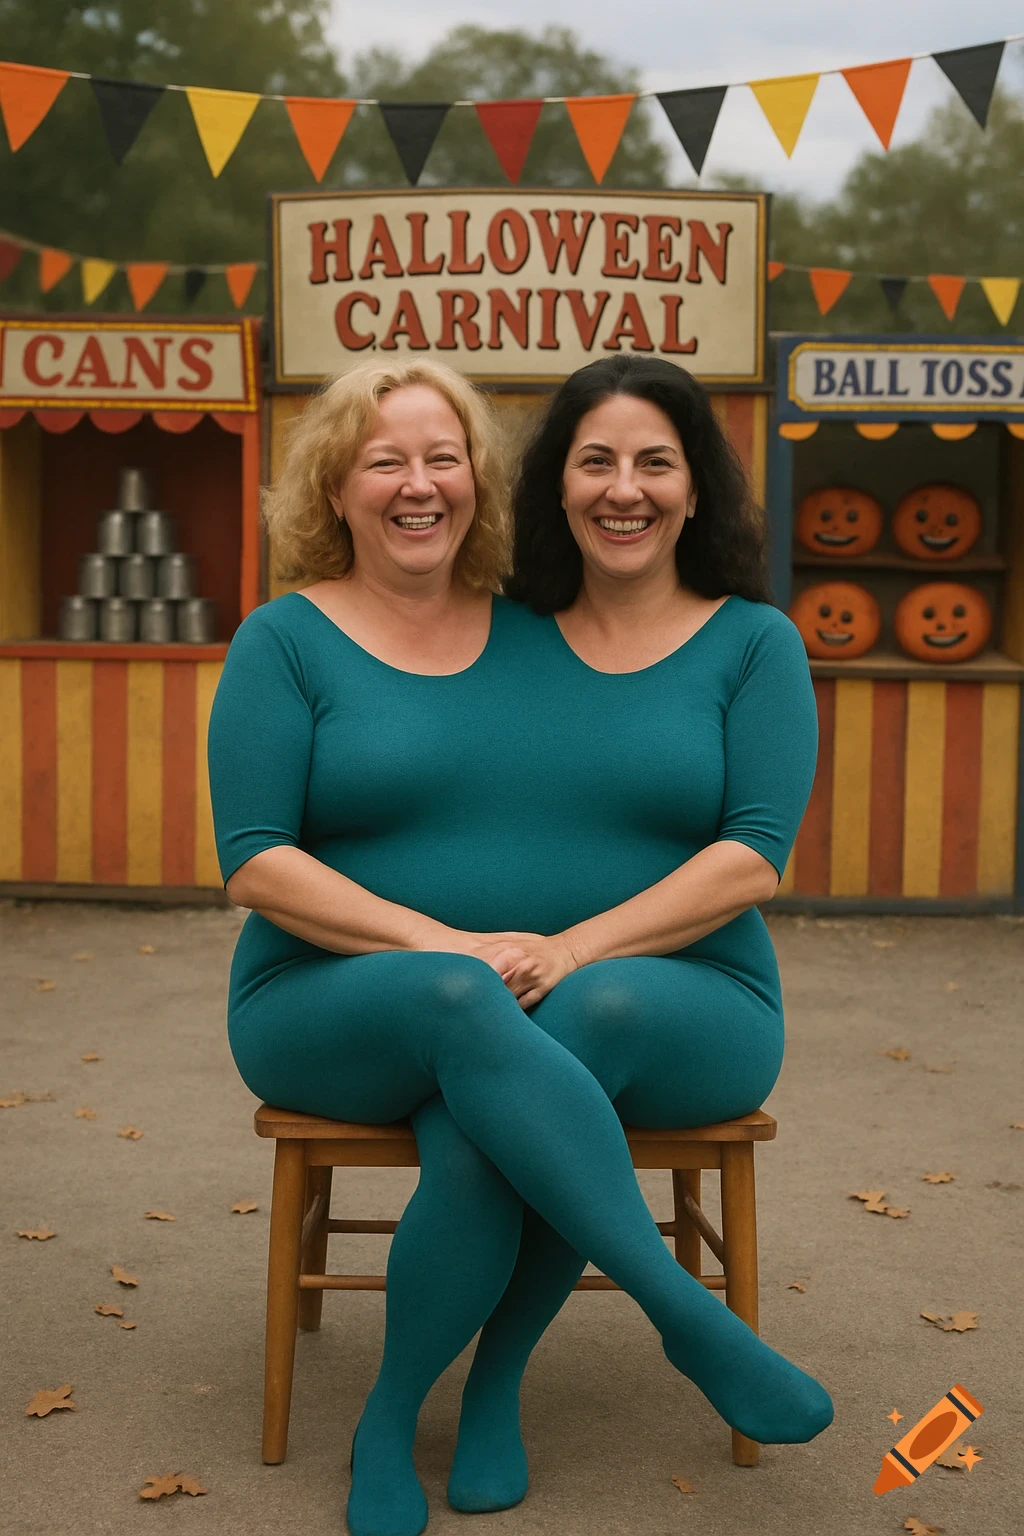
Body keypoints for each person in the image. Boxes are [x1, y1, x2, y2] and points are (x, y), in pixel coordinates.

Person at [207, 356, 832, 1536]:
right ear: (332, 487)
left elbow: (755, 850)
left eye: (442, 457)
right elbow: (252, 862)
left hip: (639, 996)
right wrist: (466, 947)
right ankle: (678, 1319)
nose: (416, 483)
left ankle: (460, 1397)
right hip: (362, 995)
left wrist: (566, 950)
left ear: (699, 490)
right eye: (383, 460)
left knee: (529, 1061)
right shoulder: (312, 638)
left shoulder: (678, 638)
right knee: (481, 1019)